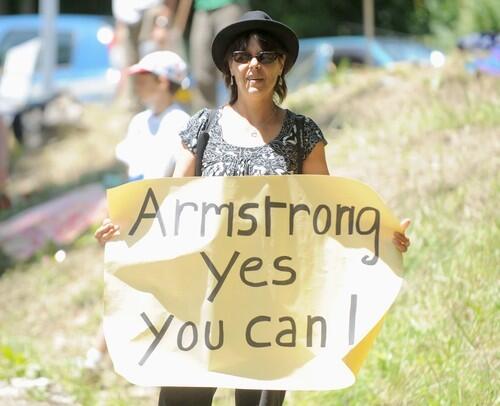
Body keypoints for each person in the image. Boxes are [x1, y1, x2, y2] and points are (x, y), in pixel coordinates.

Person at [95, 10, 411, 405]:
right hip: (200, 304)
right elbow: (169, 209)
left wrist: (379, 238)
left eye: (266, 56)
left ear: (282, 66)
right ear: (229, 66)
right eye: (242, 56)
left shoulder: (303, 134)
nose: (253, 65)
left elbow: (329, 218)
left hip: (272, 309)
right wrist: (126, 230)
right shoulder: (201, 128)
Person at [86, 50, 190, 371]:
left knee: (150, 289)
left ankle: (115, 357)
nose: (138, 87)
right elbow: (130, 173)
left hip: (163, 217)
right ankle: (99, 355)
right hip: (132, 215)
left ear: (162, 81)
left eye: (143, 80)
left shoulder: (180, 122)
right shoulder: (139, 123)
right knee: (123, 284)